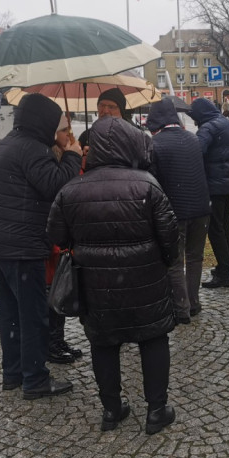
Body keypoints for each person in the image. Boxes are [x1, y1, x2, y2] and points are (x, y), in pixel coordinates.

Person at [47, 117, 179, 434]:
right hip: (145, 281)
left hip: (97, 285)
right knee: (153, 338)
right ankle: (156, 410)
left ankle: (111, 409)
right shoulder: (147, 184)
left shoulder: (71, 190)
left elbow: (56, 235)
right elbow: (170, 237)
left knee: (104, 344)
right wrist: (161, 262)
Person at [0, 93, 81, 400]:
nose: (57, 129)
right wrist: (73, 154)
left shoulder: (7, 144)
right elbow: (56, 185)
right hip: (22, 246)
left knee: (11, 314)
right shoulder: (33, 149)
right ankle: (35, 378)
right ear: (42, 121)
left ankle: (12, 373)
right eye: (55, 123)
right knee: (33, 314)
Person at [146, 98, 210, 324]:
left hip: (175, 212)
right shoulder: (192, 139)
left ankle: (180, 308)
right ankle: (193, 302)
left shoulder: (155, 144)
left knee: (174, 260)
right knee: (195, 258)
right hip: (201, 210)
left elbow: (152, 182)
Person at [46, 114, 85, 365]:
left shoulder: (64, 154)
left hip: (64, 236)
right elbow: (62, 189)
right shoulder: (50, 159)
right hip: (52, 238)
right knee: (53, 292)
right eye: (64, 130)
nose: (68, 135)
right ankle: (51, 343)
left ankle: (58, 340)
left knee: (59, 289)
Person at [191, 96, 229, 289]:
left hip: (214, 185)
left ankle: (224, 272)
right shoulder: (227, 125)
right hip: (228, 183)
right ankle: (224, 267)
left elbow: (197, 151)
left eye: (194, 116)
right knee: (225, 226)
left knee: (215, 229)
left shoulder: (208, 127)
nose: (194, 120)